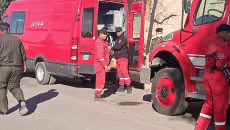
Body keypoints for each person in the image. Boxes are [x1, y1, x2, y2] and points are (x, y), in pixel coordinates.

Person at [195, 24, 230, 130]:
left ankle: (199, 127)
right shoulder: (222, 44)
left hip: (208, 76)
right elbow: (220, 64)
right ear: (224, 33)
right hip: (218, 79)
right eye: (228, 33)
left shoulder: (212, 42)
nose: (229, 36)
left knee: (209, 105)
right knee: (220, 107)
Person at [0, 22, 28, 116]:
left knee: (1, 87)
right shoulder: (17, 39)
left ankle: (4, 110)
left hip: (3, 67)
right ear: (9, 29)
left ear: (1, 30)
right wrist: (24, 65)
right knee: (14, 86)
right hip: (16, 67)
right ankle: (21, 101)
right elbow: (23, 53)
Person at [111, 27, 132, 94]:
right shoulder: (117, 40)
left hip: (123, 58)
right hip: (118, 58)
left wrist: (111, 47)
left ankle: (129, 87)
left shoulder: (123, 39)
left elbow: (117, 47)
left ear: (121, 31)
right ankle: (121, 86)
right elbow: (116, 49)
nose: (118, 33)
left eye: (119, 31)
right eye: (117, 32)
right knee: (120, 73)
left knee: (124, 72)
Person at [94, 28, 109, 101]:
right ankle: (97, 95)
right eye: (104, 34)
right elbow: (100, 56)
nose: (105, 35)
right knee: (100, 81)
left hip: (101, 65)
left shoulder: (103, 42)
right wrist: (105, 65)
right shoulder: (100, 43)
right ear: (100, 34)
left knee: (101, 81)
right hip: (100, 65)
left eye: (106, 34)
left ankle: (98, 94)